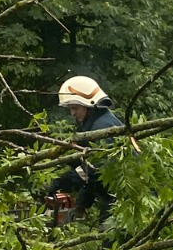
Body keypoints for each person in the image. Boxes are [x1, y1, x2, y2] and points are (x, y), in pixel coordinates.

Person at [47, 75, 124, 225]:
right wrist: (80, 205)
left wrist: (58, 182)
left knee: (112, 243)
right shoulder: (98, 124)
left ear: (90, 105)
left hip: (125, 201)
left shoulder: (103, 127)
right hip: (116, 199)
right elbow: (92, 179)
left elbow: (95, 172)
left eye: (75, 108)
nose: (72, 113)